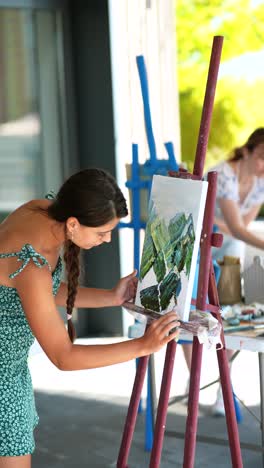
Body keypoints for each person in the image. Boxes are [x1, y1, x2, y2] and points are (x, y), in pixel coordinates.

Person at [0, 168, 179, 467]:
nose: (107, 240)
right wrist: (142, 346)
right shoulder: (31, 263)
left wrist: (111, 296)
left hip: (11, 367)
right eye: (101, 232)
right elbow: (63, 357)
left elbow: (44, 294)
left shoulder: (41, 212)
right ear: (73, 223)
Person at [182, 127, 264, 415]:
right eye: (262, 157)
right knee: (189, 312)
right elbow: (239, 228)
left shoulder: (260, 183)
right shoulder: (223, 174)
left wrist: (233, 229)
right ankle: (195, 381)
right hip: (198, 245)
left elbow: (239, 228)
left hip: (228, 246)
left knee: (228, 312)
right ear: (249, 150)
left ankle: (221, 386)